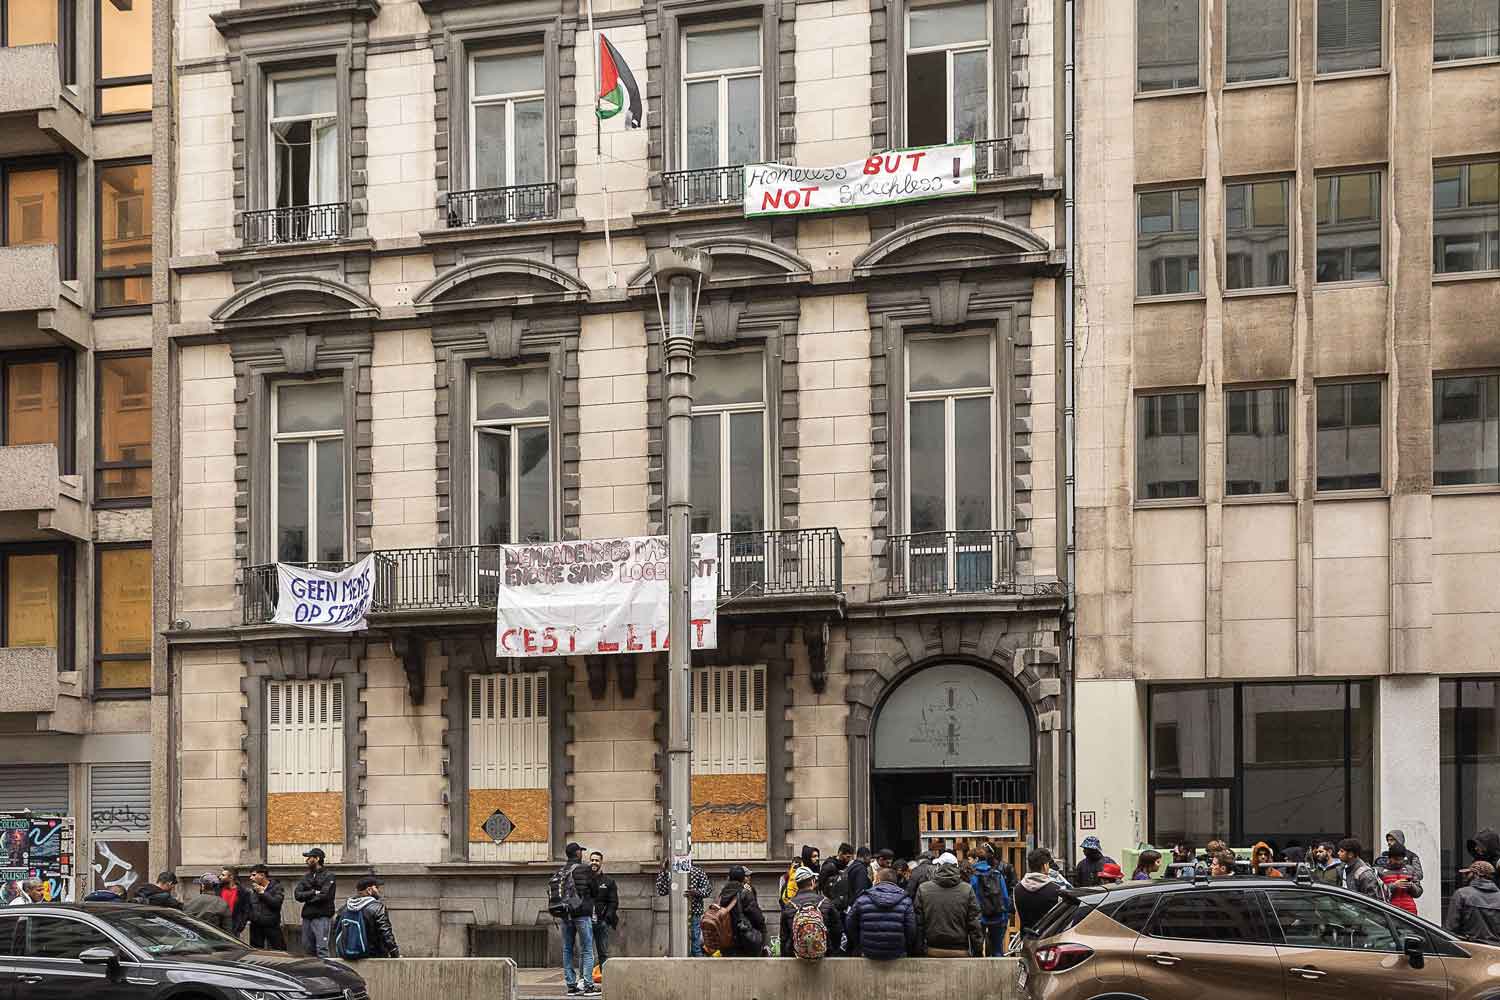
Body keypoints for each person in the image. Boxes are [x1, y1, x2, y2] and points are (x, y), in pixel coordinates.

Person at [916, 852, 981, 957]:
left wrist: (918, 951)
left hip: (932, 949)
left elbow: (919, 923)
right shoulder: (967, 889)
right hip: (961, 950)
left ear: (938, 867)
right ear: (956, 867)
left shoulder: (923, 889)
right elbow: (974, 924)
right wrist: (977, 951)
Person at [847, 866, 916, 959]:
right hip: (897, 952)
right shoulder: (906, 900)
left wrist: (859, 943)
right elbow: (911, 929)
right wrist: (905, 946)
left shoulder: (862, 899)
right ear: (895, 881)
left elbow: (850, 923)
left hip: (868, 951)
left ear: (878, 879)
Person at [557, 842, 597, 995]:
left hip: (566, 915)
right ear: (577, 853)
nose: (582, 853)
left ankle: (571, 986)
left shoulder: (561, 870)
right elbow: (594, 890)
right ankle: (588, 985)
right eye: (581, 851)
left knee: (567, 948)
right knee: (586, 949)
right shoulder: (585, 869)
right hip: (582, 913)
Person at [330, 876, 400, 959]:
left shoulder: (345, 908)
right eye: (376, 887)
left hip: (347, 955)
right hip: (373, 955)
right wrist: (394, 953)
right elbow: (385, 932)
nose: (379, 891)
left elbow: (335, 930)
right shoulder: (377, 907)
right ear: (369, 890)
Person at [779, 866, 842, 958]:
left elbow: (784, 937)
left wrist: (786, 956)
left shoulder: (789, 905)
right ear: (812, 881)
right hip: (823, 955)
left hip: (796, 956)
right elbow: (837, 930)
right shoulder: (825, 902)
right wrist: (831, 951)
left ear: (797, 885)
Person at [655, 859, 711, 956]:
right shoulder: (673, 873)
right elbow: (662, 890)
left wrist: (696, 892)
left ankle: (696, 964)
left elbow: (707, 890)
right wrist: (663, 871)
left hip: (691, 912)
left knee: (693, 943)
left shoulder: (696, 872)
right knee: (685, 943)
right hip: (678, 912)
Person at [294, 847, 338, 958]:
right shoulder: (306, 877)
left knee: (321, 948)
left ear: (317, 859)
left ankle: (325, 973)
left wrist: (307, 896)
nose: (307, 860)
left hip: (322, 915)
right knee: (307, 948)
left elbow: (324, 895)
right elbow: (297, 895)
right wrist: (313, 892)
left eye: (309, 858)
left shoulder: (329, 876)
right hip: (308, 915)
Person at [969, 843, 1011, 956]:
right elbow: (1005, 897)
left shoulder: (972, 876)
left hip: (979, 917)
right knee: (997, 949)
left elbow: (970, 898)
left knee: (976, 950)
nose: (969, 862)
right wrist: (1005, 914)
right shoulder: (997, 874)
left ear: (976, 859)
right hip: (997, 916)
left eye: (970, 859)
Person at [715, 866, 766, 957]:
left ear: (729, 877)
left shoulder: (722, 894)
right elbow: (757, 918)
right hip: (743, 941)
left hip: (725, 941)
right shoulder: (745, 893)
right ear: (743, 878)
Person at [1447, 861, 1500, 943]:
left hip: (1470, 949)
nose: (1465, 876)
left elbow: (1451, 928)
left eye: (1468, 873)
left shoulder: (1462, 894)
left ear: (1476, 874)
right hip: (1496, 950)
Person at [1015, 849, 1062, 936]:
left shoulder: (1017, 889)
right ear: (1045, 866)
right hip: (1048, 939)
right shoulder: (1056, 889)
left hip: (1026, 938)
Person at [589, 851, 618, 979]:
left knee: (603, 953)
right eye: (592, 860)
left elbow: (614, 902)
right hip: (586, 922)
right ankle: (586, 980)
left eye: (597, 860)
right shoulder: (584, 880)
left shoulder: (608, 881)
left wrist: (606, 919)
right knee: (586, 953)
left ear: (601, 862)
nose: (594, 862)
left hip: (602, 922)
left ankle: (606, 979)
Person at [247, 864, 286, 950]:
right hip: (256, 925)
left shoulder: (276, 887)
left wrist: (262, 893)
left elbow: (276, 903)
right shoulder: (253, 889)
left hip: (271, 925)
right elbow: (250, 906)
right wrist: (251, 917)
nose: (250, 878)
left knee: (279, 950)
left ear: (262, 875)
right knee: (255, 952)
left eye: (253, 875)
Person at [1377, 843, 1422, 915]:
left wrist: (1411, 885)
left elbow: (1418, 892)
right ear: (1390, 857)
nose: (1399, 862)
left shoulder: (1410, 870)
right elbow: (1377, 894)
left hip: (1410, 912)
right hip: (1390, 911)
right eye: (1396, 859)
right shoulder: (1380, 871)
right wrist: (1394, 885)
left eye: (1401, 859)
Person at [219, 866, 252, 938]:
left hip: (233, 927)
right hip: (218, 927)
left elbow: (246, 911)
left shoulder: (243, 892)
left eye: (223, 875)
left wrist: (240, 926)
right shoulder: (218, 889)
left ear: (231, 877)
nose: (220, 877)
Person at [819, 843, 853, 909]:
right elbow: (821, 885)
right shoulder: (829, 866)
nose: (849, 860)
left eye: (850, 857)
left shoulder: (844, 866)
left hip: (842, 903)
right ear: (840, 853)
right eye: (847, 857)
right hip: (831, 904)